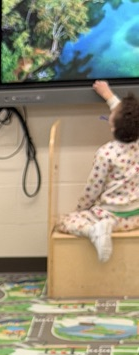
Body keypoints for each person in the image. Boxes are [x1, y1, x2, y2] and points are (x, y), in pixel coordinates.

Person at [55, 80, 139, 263]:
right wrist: (108, 95)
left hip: (111, 216)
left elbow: (93, 188)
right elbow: (125, 114)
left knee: (63, 221)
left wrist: (81, 209)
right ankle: (99, 229)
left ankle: (94, 231)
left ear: (113, 127)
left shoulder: (105, 153)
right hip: (134, 217)